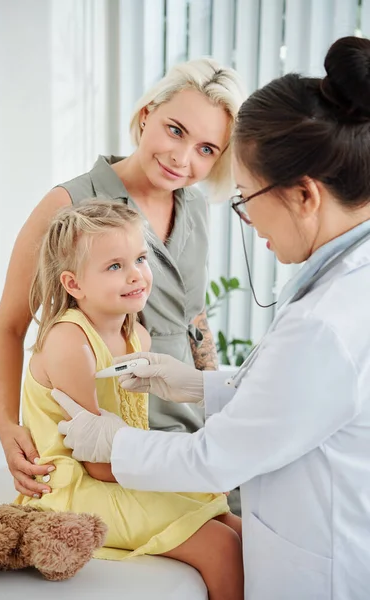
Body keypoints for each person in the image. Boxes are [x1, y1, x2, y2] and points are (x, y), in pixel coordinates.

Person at [53, 36, 370, 600]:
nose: (246, 218)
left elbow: (217, 458)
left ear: (304, 196)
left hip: (325, 570)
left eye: (245, 198)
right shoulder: (71, 207)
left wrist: (115, 442)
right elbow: (292, 396)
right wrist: (200, 385)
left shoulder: (330, 321)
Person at [0, 58, 245, 501]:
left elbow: (194, 316)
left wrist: (214, 401)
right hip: (114, 433)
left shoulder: (196, 209)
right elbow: (10, 325)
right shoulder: (69, 202)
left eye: (206, 149)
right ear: (147, 116)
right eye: (176, 130)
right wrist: (8, 427)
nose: (182, 159)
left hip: (191, 425)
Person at [15, 200, 243, 600]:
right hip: (74, 489)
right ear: (73, 285)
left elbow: (127, 440)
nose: (136, 274)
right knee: (223, 546)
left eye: (140, 258)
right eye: (115, 266)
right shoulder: (71, 343)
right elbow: (97, 466)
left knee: (241, 528)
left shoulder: (137, 334)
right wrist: (185, 473)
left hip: (123, 468)